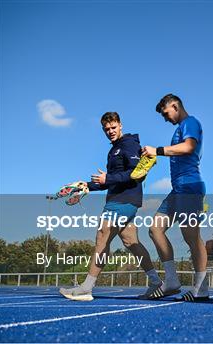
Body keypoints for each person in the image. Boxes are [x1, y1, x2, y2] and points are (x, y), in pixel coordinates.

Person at [59, 112, 162, 301]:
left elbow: (137, 173)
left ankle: (86, 288)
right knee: (131, 242)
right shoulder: (113, 150)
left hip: (123, 200)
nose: (110, 131)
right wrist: (87, 186)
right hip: (121, 199)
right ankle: (156, 282)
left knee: (102, 236)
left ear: (120, 125)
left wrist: (109, 178)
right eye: (106, 129)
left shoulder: (130, 144)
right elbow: (110, 181)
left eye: (113, 127)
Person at [140, 94, 209, 301]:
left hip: (190, 186)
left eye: (166, 113)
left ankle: (201, 287)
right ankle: (171, 281)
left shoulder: (190, 122)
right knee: (155, 229)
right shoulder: (179, 128)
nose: (165, 118)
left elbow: (189, 147)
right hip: (177, 189)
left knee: (191, 236)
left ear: (175, 105)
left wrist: (158, 150)